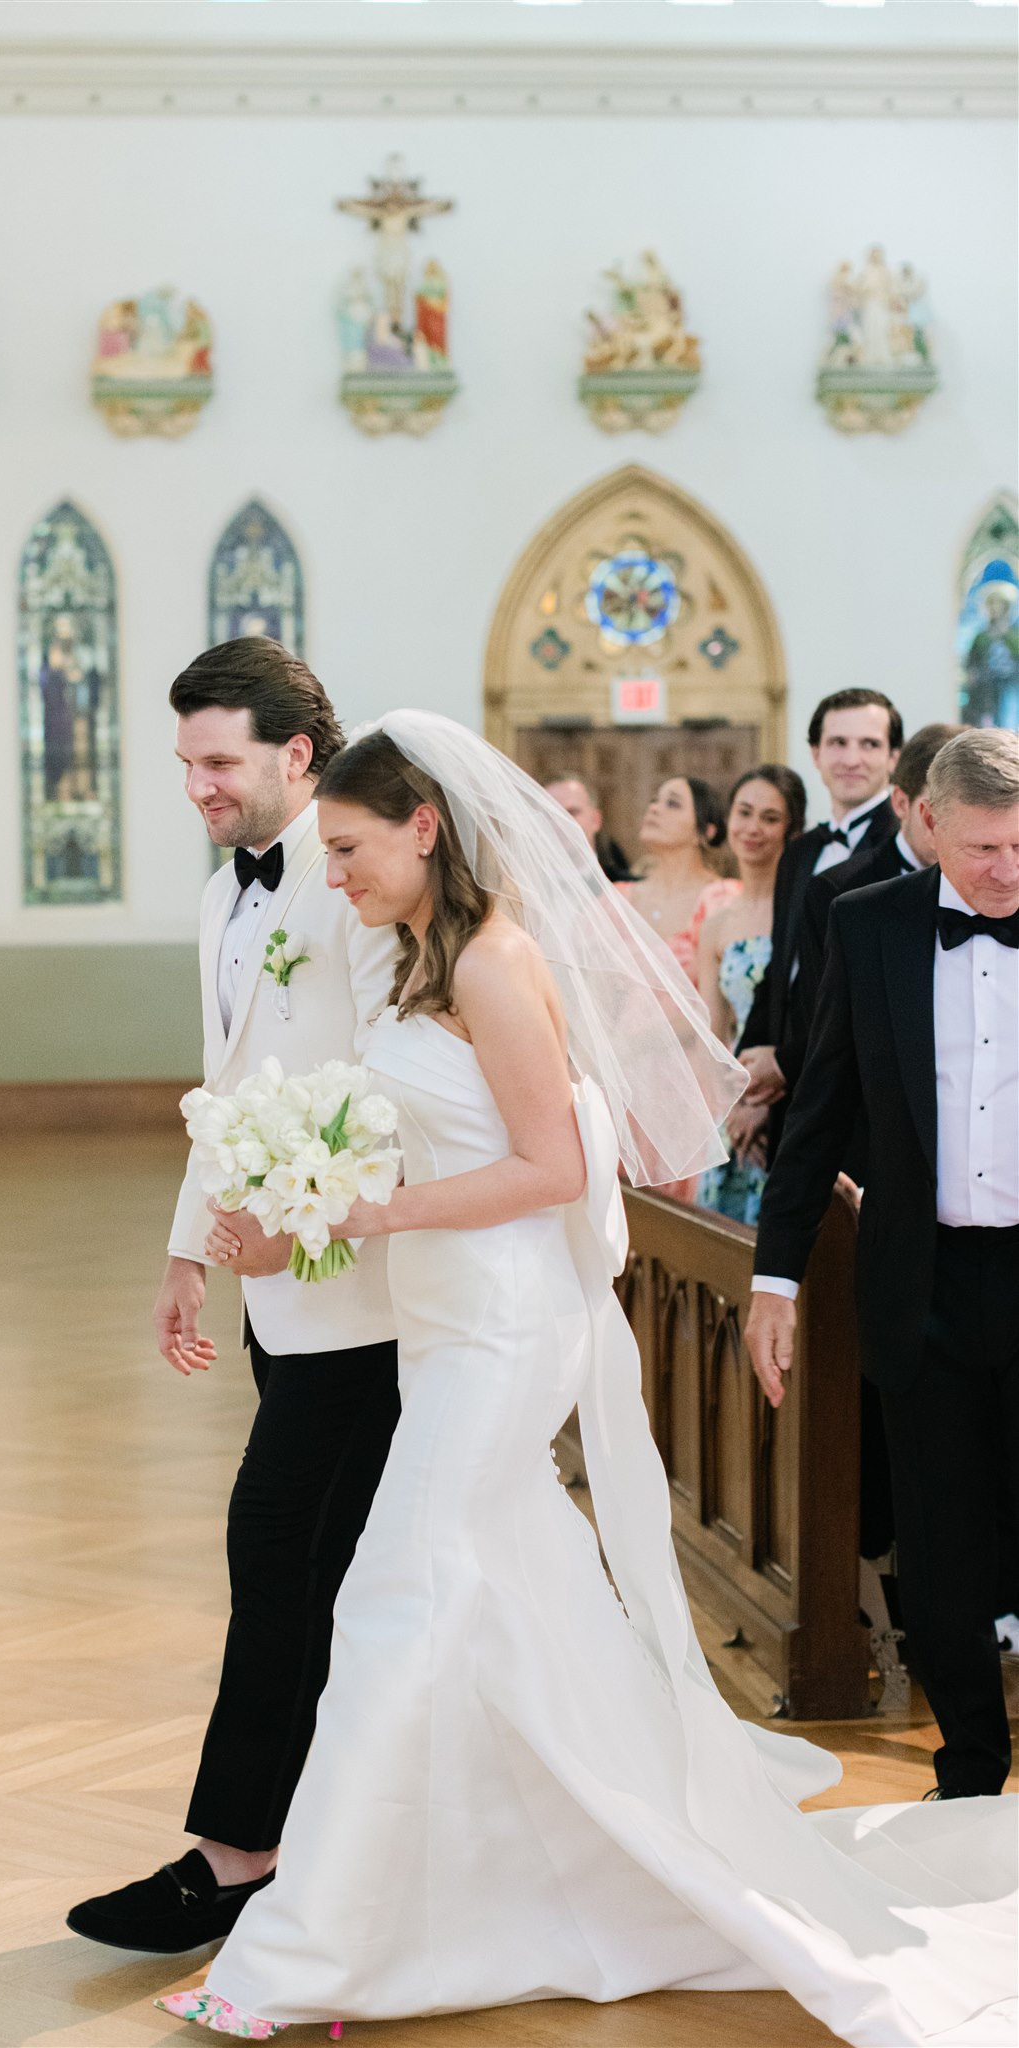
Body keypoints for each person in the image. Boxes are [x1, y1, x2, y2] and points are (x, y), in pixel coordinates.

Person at [163, 712, 1015, 2044]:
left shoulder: (496, 965)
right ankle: (532, 1874)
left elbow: (555, 1172)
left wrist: (357, 1216)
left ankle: (313, 1945)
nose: (333, 873)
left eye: (348, 847)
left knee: (395, 1595)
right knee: (512, 1600)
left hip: (501, 1332)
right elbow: (420, 1137)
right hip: (446, 1320)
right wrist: (308, 1187)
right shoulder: (403, 960)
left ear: (423, 827)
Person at [66, 640, 401, 1953]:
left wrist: (301, 1225)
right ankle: (315, 1842)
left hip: (369, 1298)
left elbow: (399, 1086)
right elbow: (226, 1086)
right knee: (322, 1573)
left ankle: (239, 1854)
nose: (197, 785)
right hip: (275, 1298)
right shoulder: (220, 903)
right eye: (185, 763)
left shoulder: (358, 880)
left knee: (276, 1550)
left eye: (218, 761)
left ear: (296, 756)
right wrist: (185, 1253)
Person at [747, 727, 1019, 1805]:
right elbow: (817, 1116)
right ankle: (965, 1769)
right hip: (926, 1287)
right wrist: (773, 1279)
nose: (1006, 870)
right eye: (986, 848)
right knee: (941, 1549)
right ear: (930, 824)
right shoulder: (868, 929)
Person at [737, 689, 901, 1155]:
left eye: (869, 744)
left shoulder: (904, 851)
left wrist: (784, 1064)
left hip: (862, 1100)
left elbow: (874, 991)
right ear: (815, 752)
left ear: (893, 757)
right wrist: (749, 1078)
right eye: (838, 743)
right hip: (788, 1100)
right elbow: (780, 969)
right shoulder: (800, 851)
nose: (852, 758)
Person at [789, 721, 960, 1061]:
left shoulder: (1001, 889)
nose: (955, 830)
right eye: (939, 812)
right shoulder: (836, 892)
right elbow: (818, 1030)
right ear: (901, 803)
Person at [695, 765, 806, 1223]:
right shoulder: (719, 922)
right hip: (733, 1113)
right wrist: (736, 1108)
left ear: (791, 829)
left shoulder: (807, 909)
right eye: (743, 813)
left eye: (769, 817)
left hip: (791, 1102)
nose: (752, 828)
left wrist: (765, 1106)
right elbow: (712, 1034)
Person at [617, 775, 739, 986]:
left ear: (706, 832)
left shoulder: (724, 899)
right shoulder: (617, 900)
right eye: (654, 801)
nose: (654, 808)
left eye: (672, 803)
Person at [543, 774, 631, 882]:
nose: (559, 822)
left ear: (595, 820)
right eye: (549, 814)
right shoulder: (523, 889)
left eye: (571, 812)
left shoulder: (626, 889)